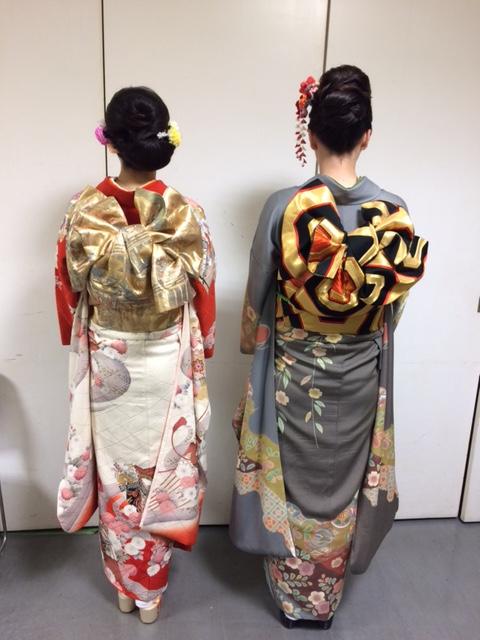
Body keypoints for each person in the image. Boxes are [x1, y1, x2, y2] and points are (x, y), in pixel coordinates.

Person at [230, 65, 428, 628]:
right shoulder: (393, 212)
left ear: (310, 134)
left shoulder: (282, 206)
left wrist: (254, 342)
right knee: (346, 472)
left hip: (294, 374)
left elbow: (257, 301)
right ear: (367, 136)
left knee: (292, 473)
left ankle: (292, 597)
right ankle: (326, 598)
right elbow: (392, 310)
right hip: (361, 369)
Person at [55, 87, 216, 623]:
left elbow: (67, 288)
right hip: (166, 359)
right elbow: (204, 294)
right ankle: (151, 590)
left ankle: (127, 587)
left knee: (117, 473)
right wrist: (204, 344)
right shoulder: (186, 213)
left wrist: (76, 332)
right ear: (163, 140)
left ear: (110, 141)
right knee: (162, 468)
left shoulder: (83, 211)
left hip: (110, 360)